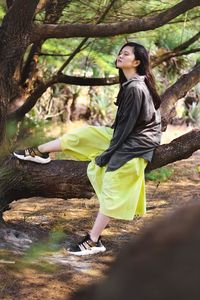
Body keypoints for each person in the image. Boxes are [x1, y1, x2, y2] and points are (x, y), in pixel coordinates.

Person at [13, 42, 161, 256]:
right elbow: (123, 127)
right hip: (126, 137)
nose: (120, 55)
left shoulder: (136, 88)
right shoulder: (132, 84)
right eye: (120, 52)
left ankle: (94, 240)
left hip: (137, 145)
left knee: (112, 182)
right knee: (86, 134)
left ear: (136, 62)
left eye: (126, 54)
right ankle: (40, 151)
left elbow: (128, 128)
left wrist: (106, 155)